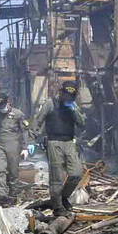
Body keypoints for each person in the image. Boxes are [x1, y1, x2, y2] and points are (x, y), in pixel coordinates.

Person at [32, 81, 86, 215]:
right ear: (61, 93)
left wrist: (73, 110)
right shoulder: (50, 104)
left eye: (71, 97)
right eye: (66, 96)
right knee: (57, 177)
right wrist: (32, 140)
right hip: (54, 142)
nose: (68, 99)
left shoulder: (72, 105)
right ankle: (57, 207)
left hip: (69, 142)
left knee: (76, 173)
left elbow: (82, 123)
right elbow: (37, 121)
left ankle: (63, 197)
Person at [0, 93, 28, 196]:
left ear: (8, 102)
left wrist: (25, 147)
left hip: (14, 145)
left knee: (13, 172)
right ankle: (2, 195)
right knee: (0, 170)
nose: (1, 109)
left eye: (3, 106)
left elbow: (24, 131)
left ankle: (13, 194)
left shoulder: (18, 114)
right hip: (0, 145)